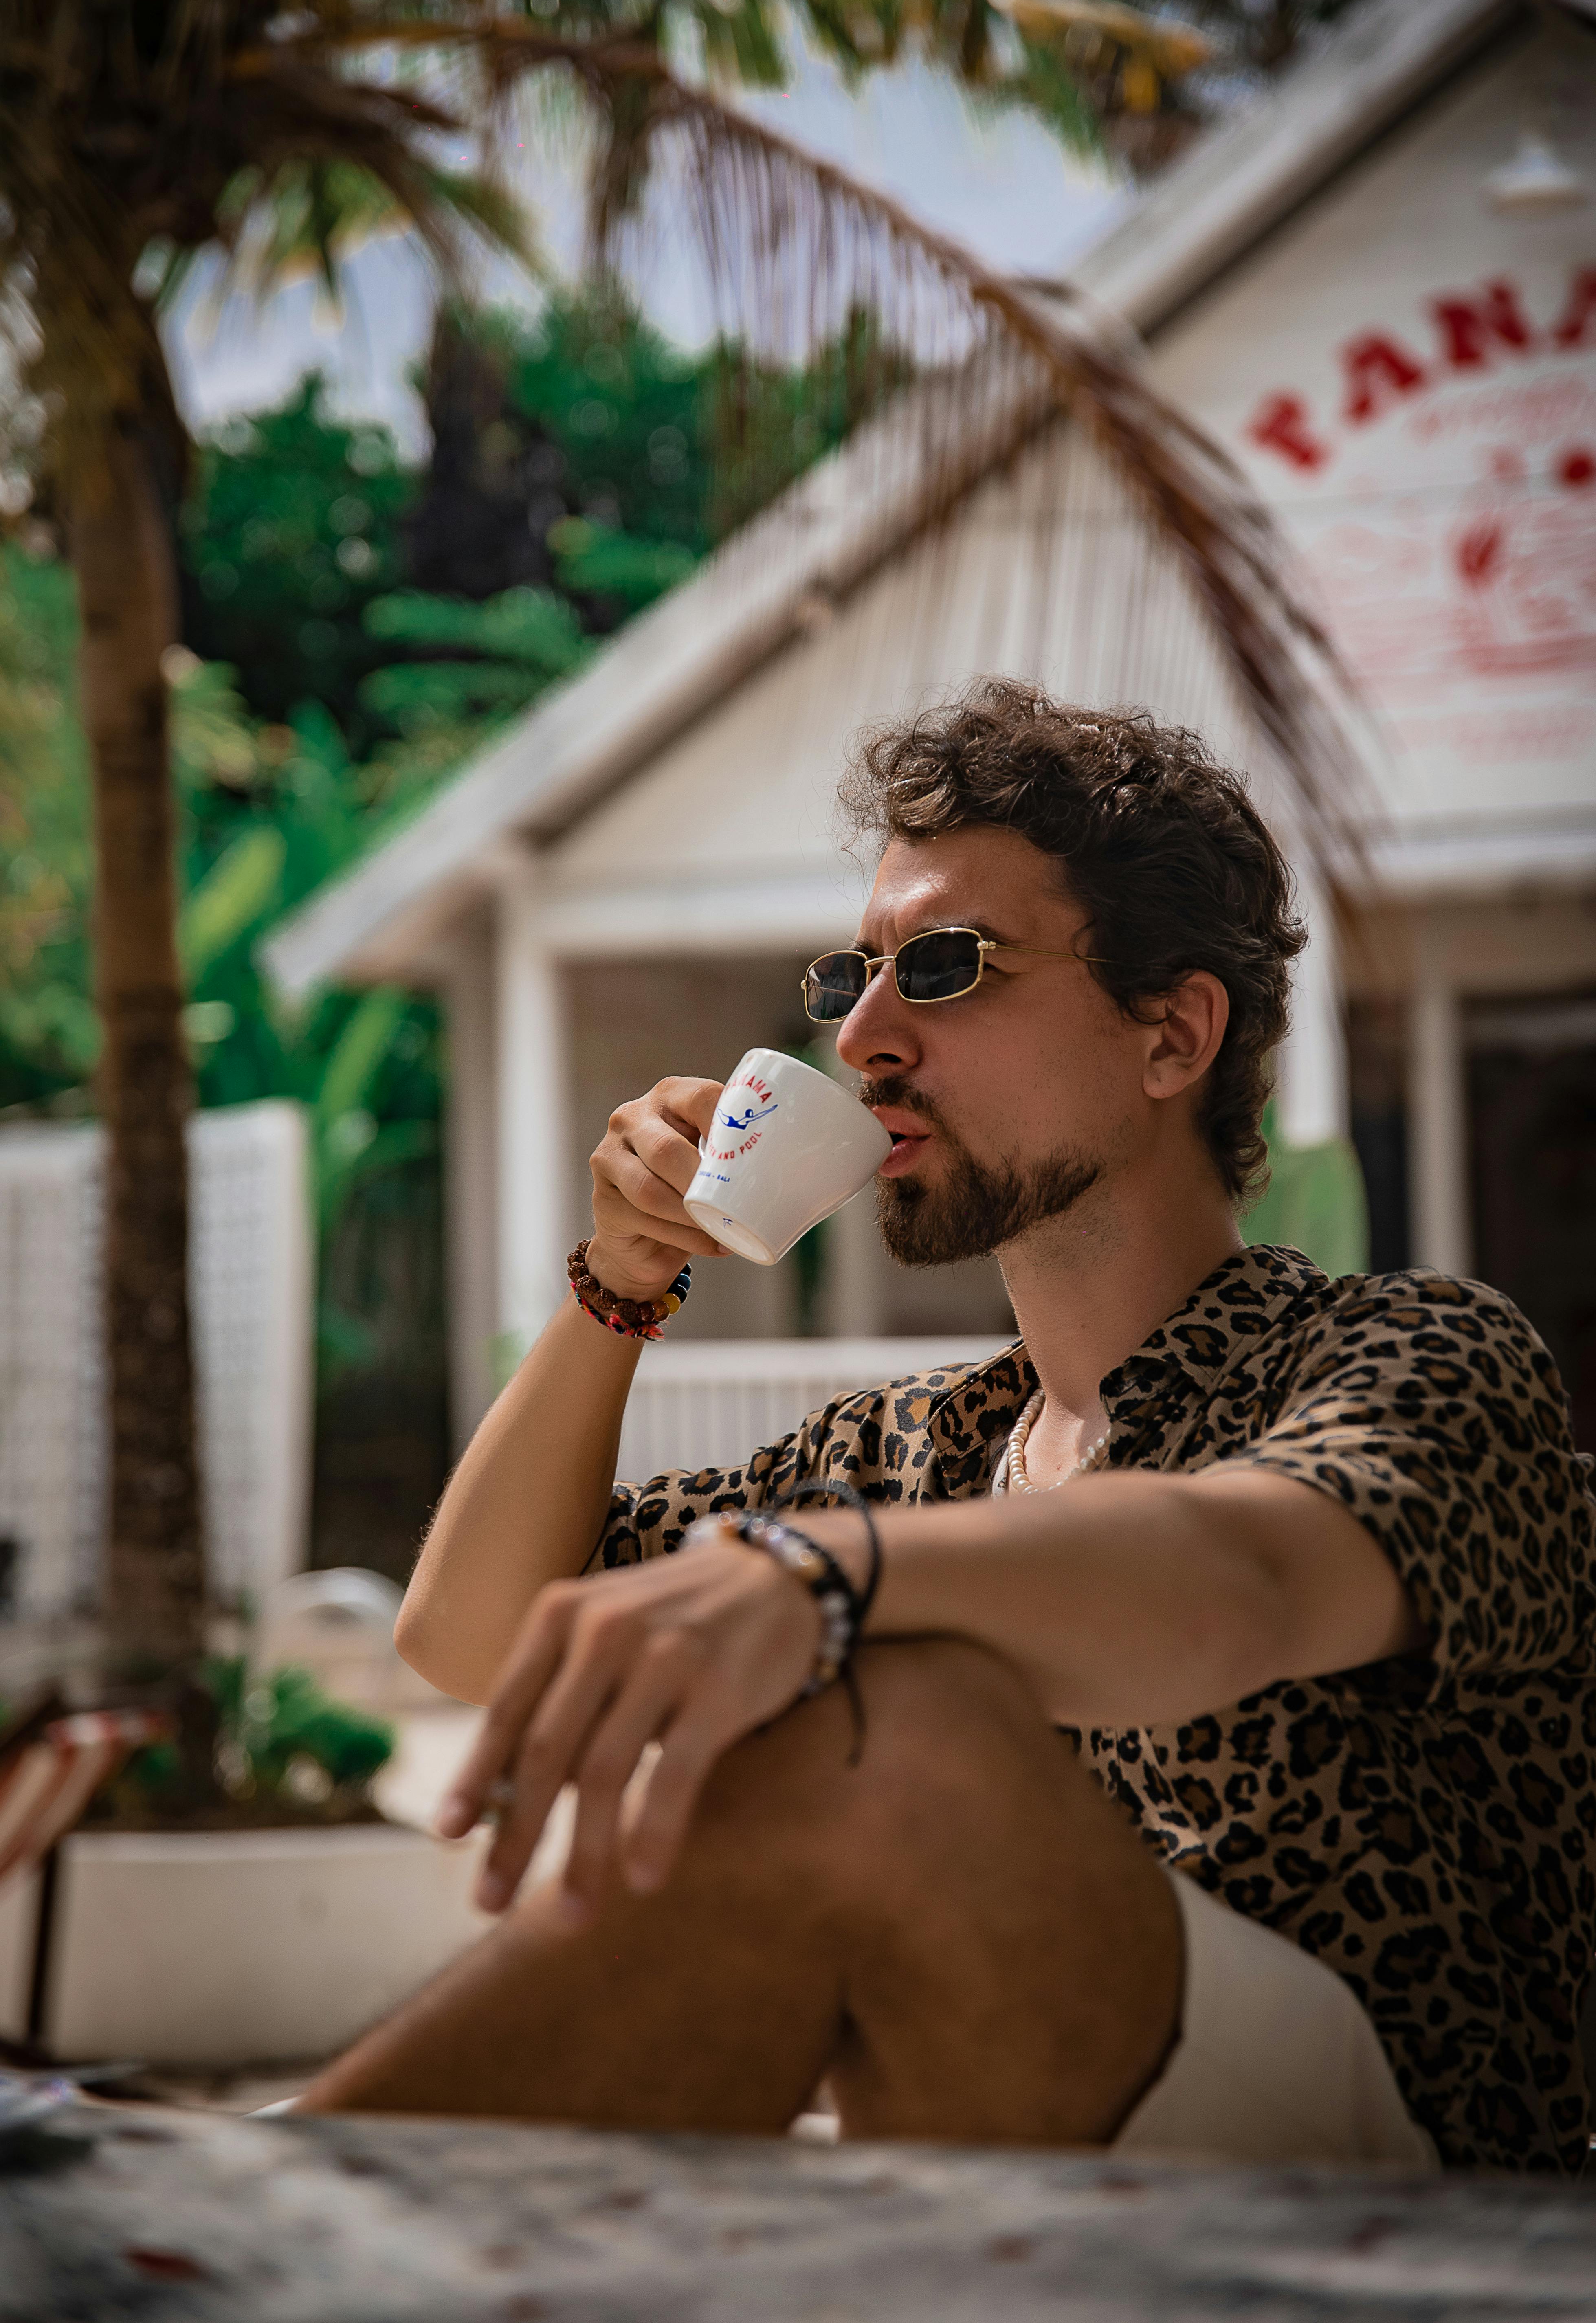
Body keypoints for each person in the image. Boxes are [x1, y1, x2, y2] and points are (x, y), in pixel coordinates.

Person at [301, 682, 1595, 2172]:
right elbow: (475, 1638)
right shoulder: (916, 1453)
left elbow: (1245, 1579)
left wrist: (822, 1584)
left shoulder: (1421, 1354)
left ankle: (282, 2216)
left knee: (894, 1734)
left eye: (943, 966)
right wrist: (620, 1282)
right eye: (851, 976)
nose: (863, 1037)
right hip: (1042, 2181)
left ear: (1172, 1035)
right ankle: (314, 2209)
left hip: (1406, 2182)